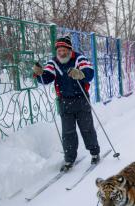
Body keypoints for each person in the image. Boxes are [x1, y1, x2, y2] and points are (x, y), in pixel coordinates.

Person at [33, 36, 100, 172]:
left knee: (87, 129)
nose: (61, 53)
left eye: (64, 50)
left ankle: (94, 153)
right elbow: (46, 77)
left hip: (81, 100)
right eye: (59, 50)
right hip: (64, 102)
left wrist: (80, 74)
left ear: (69, 50)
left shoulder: (78, 58)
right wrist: (39, 73)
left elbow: (89, 73)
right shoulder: (54, 62)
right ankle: (69, 159)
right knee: (68, 133)